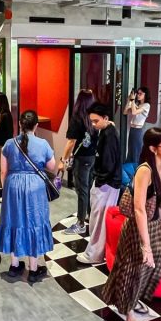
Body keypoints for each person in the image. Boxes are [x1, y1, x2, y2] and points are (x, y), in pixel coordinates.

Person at [101, 128, 161, 321]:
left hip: (152, 225)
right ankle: (129, 316)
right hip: (137, 227)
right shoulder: (145, 170)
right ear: (153, 148)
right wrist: (146, 246)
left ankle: (126, 302)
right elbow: (139, 209)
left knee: (150, 270)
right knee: (132, 271)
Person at [0, 110, 57, 283]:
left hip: (13, 186)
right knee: (34, 222)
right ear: (36, 126)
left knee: (14, 221)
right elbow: (51, 166)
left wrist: (7, 189)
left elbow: (4, 172)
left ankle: (14, 266)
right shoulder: (42, 143)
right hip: (35, 188)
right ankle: (34, 269)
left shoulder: (9, 144)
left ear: (20, 125)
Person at [76, 102, 123, 264]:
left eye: (96, 121)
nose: (93, 125)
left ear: (106, 118)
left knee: (99, 220)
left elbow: (108, 163)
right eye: (92, 121)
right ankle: (97, 251)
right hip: (107, 181)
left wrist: (99, 179)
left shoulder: (109, 135)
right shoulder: (107, 130)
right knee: (98, 218)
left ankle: (94, 254)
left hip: (106, 183)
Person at [61, 90, 97, 235]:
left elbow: (71, 142)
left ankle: (81, 223)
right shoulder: (94, 117)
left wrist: (63, 159)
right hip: (92, 157)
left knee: (82, 190)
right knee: (88, 189)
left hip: (82, 159)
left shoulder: (78, 118)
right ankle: (90, 217)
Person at [124, 86, 151, 163]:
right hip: (132, 129)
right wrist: (128, 101)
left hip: (138, 130)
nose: (138, 95)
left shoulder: (146, 105)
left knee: (136, 151)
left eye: (140, 94)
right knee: (130, 150)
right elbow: (125, 112)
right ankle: (130, 169)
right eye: (137, 93)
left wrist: (132, 100)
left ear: (145, 95)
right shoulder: (137, 104)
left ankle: (136, 169)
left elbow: (134, 112)